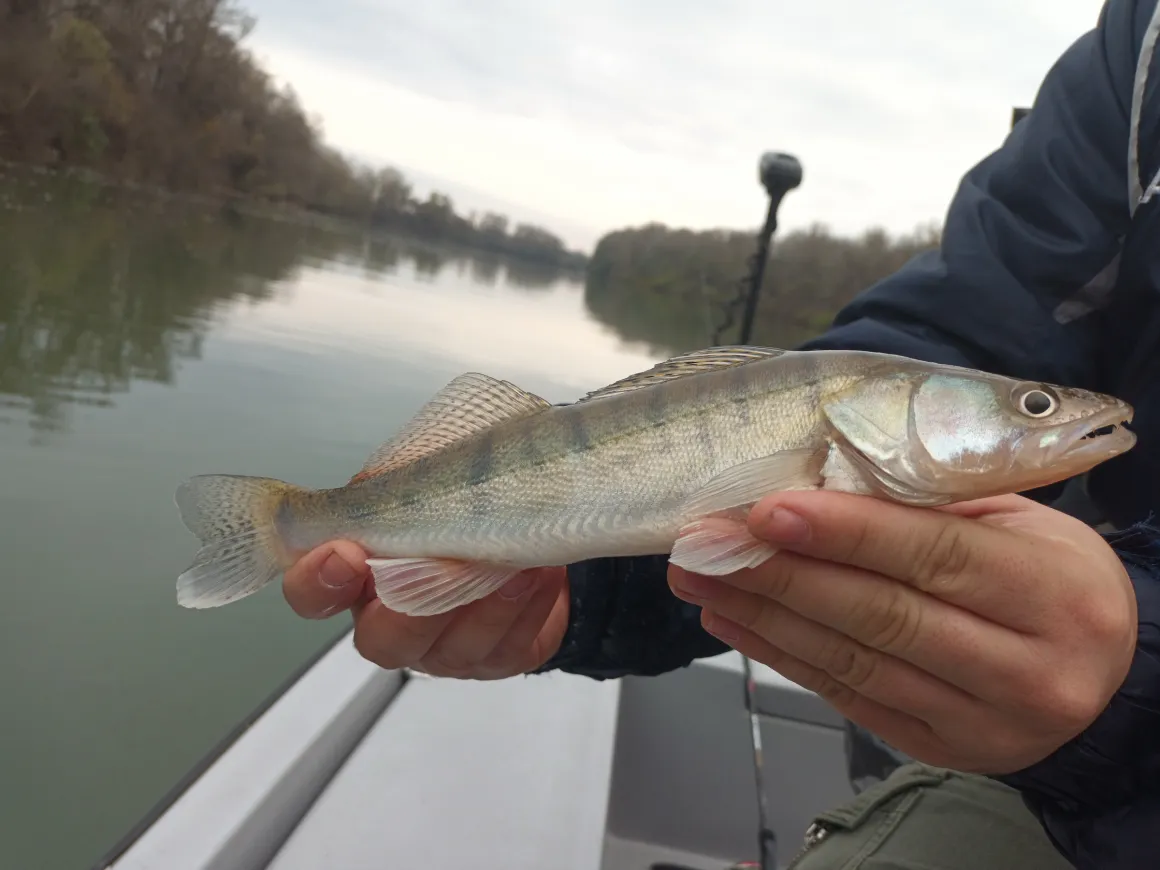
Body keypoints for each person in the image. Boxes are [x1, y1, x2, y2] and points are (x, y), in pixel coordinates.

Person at [281, 1, 1160, 867]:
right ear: (891, 406)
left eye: (1032, 408)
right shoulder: (1142, 46)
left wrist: (1138, 672)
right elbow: (979, 318)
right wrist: (583, 590)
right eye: (1032, 406)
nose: (1054, 412)